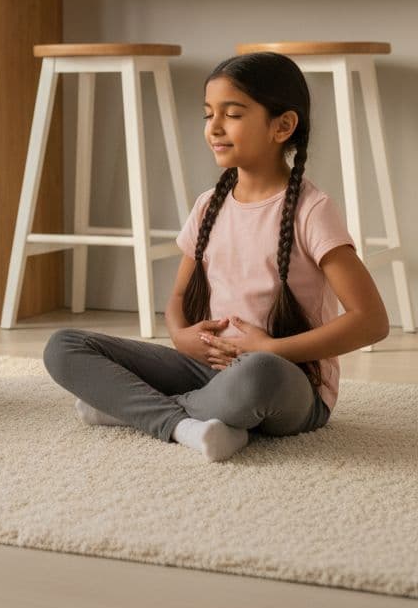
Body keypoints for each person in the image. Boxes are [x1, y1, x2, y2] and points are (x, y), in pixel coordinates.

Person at [44, 51, 389, 462]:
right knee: (64, 346)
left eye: (233, 114)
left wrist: (270, 349)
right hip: (206, 370)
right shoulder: (209, 204)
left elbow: (371, 321)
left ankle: (131, 409)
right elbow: (176, 299)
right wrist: (179, 336)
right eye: (209, 114)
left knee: (257, 375)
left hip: (286, 382)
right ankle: (188, 423)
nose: (215, 128)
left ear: (283, 126)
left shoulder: (311, 211)